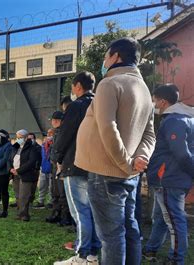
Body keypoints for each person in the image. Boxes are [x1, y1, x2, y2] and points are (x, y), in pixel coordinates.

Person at [75, 37, 156, 265]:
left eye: (105, 57)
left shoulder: (109, 84)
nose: (104, 62)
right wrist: (140, 157)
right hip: (128, 173)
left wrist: (125, 163)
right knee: (128, 228)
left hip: (107, 171)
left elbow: (107, 128)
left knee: (111, 236)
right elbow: (150, 134)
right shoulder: (145, 90)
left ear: (115, 56)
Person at [143, 84, 194, 265]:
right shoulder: (187, 119)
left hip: (169, 179)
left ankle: (175, 259)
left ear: (163, 101)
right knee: (162, 218)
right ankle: (151, 249)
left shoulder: (173, 121)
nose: (154, 104)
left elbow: (181, 153)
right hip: (173, 178)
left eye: (154, 100)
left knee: (174, 220)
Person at [53, 72, 100, 264]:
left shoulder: (77, 106)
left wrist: (57, 157)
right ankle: (93, 255)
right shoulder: (100, 103)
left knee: (80, 212)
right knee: (92, 212)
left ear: (78, 86)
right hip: (96, 166)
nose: (72, 90)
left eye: (73, 86)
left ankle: (82, 255)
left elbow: (65, 134)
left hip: (75, 165)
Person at [8, 129, 41, 221]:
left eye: (20, 137)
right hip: (15, 174)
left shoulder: (32, 148)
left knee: (24, 195)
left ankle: (24, 215)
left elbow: (31, 162)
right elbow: (9, 159)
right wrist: (10, 169)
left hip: (25, 174)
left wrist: (19, 170)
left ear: (26, 138)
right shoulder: (15, 147)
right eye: (17, 137)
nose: (18, 139)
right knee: (18, 195)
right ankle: (19, 213)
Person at [46, 110, 71, 226]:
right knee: (54, 192)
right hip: (54, 165)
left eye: (57, 120)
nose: (54, 122)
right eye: (53, 120)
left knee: (63, 193)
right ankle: (56, 214)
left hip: (61, 166)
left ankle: (66, 217)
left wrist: (59, 162)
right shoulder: (56, 133)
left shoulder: (65, 132)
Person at [34, 131, 52, 209]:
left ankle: (51, 202)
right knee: (42, 186)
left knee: (51, 187)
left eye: (51, 134)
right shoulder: (43, 145)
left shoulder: (55, 145)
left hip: (52, 170)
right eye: (48, 134)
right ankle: (41, 201)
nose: (48, 135)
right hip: (44, 168)